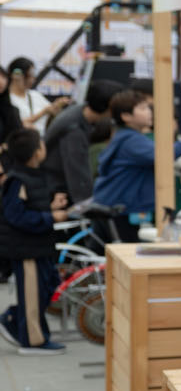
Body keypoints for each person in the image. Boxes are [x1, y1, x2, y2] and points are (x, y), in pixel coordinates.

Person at [90, 90, 181, 240]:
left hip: (115, 205)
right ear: (126, 116)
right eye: (142, 108)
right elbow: (163, 156)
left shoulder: (126, 136)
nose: (149, 112)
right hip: (122, 210)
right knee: (128, 251)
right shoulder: (132, 140)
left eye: (148, 107)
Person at [0, 129, 66, 354]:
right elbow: (15, 215)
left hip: (40, 246)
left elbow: (31, 206)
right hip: (26, 249)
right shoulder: (17, 180)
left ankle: (12, 318)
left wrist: (51, 207)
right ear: (36, 152)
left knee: (47, 287)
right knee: (32, 295)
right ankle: (33, 341)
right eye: (42, 144)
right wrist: (51, 217)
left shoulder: (33, 175)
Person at [45, 80, 117, 209]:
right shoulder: (73, 130)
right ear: (107, 107)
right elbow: (77, 173)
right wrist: (89, 206)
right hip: (57, 192)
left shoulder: (80, 112)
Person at [6, 58, 66, 130]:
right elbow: (16, 124)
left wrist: (57, 106)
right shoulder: (7, 99)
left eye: (33, 75)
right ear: (17, 75)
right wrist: (44, 112)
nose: (33, 79)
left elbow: (52, 110)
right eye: (30, 75)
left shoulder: (35, 95)